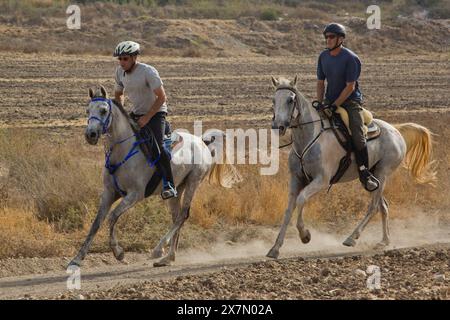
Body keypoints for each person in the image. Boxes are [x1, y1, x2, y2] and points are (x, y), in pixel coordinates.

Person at [316, 23, 379, 192]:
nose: (328, 40)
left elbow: (350, 86)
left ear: (341, 39)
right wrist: (320, 103)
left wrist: (334, 105)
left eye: (331, 37)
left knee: (358, 136)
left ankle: (364, 172)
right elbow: (320, 83)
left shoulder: (351, 58)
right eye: (326, 37)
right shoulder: (323, 57)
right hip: (330, 101)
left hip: (350, 102)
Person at [113, 40, 177, 199]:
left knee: (158, 148)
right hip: (136, 113)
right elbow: (118, 95)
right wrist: (122, 114)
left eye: (125, 58)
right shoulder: (119, 72)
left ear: (134, 57)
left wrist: (147, 118)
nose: (122, 62)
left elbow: (162, 97)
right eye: (120, 59)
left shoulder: (148, 71)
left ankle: (169, 184)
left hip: (155, 113)